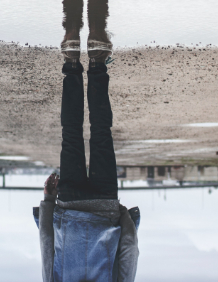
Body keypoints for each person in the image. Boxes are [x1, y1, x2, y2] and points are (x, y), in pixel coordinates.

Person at [34, 57, 139, 282]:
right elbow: (46, 246)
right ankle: (72, 66)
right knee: (71, 134)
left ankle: (97, 64)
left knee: (102, 133)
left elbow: (129, 249)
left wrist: (122, 216)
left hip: (105, 206)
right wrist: (49, 201)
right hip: (70, 205)